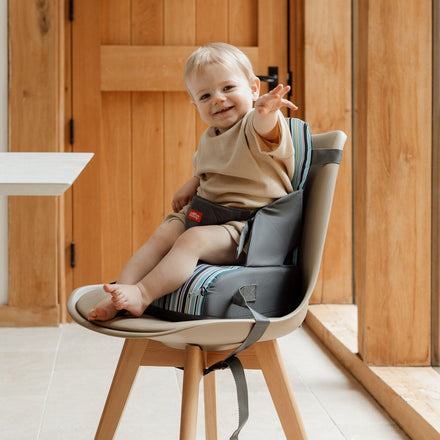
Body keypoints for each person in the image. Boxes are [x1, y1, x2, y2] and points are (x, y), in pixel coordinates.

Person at [87, 42, 298, 321]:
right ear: (195, 103)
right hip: (211, 213)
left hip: (249, 229)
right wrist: (193, 182)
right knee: (165, 232)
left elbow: (265, 129)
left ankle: (142, 294)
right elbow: (208, 169)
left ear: (253, 88)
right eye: (205, 95)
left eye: (228, 88)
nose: (218, 99)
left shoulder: (255, 126)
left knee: (192, 239)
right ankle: (120, 291)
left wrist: (267, 111)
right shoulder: (212, 135)